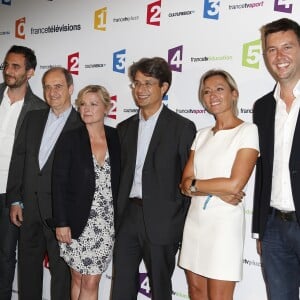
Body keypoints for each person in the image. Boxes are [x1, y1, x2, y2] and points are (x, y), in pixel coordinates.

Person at [111, 56, 196, 300]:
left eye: (148, 83)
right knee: (121, 288)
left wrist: (177, 223)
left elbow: (187, 180)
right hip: (127, 218)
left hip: (163, 221)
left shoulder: (182, 127)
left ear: (164, 87)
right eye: (137, 83)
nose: (140, 89)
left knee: (160, 289)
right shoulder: (124, 128)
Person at [179, 69, 259, 300]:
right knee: (196, 293)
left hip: (223, 227)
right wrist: (216, 189)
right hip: (195, 224)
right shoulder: (202, 135)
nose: (212, 95)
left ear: (234, 94)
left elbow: (235, 184)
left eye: (219, 89)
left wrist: (198, 186)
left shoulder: (247, 131)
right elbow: (184, 184)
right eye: (206, 91)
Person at [6, 66, 83, 300]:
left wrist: (72, 216)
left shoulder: (82, 123)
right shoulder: (33, 118)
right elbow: (18, 160)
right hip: (28, 209)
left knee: (61, 276)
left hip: (61, 216)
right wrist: (15, 199)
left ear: (70, 89)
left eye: (58, 86)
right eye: (47, 87)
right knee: (28, 272)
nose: (52, 92)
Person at [51, 85, 120, 300]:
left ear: (106, 108)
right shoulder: (70, 138)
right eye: (82, 104)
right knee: (79, 278)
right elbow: (58, 183)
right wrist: (61, 222)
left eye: (93, 104)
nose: (86, 109)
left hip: (105, 223)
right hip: (76, 223)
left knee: (91, 280)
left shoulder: (117, 137)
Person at [252, 18, 300, 300]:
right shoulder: (262, 107)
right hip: (274, 228)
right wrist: (260, 229)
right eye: (271, 49)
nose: (279, 57)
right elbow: (264, 169)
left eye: (287, 47)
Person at [0, 45, 48, 300]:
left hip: (10, 195)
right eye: (6, 65)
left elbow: (34, 162)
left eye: (16, 66)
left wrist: (17, 198)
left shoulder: (39, 109)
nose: (8, 71)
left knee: (5, 257)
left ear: (30, 72)